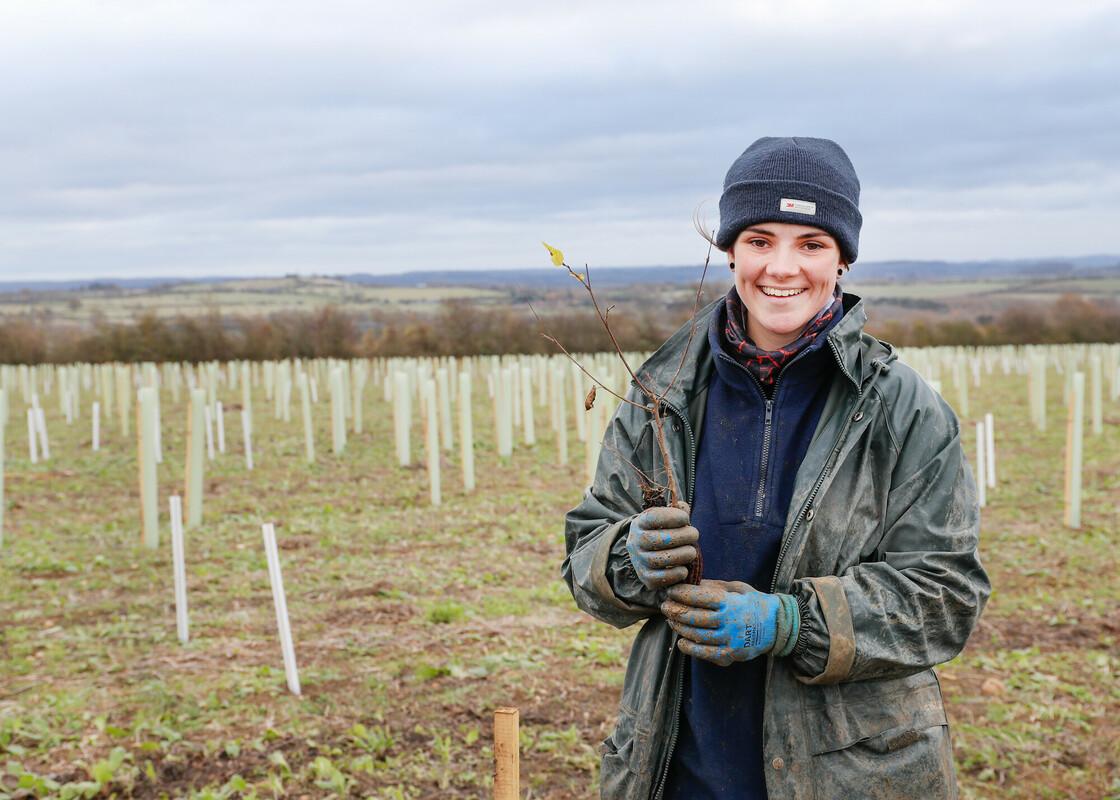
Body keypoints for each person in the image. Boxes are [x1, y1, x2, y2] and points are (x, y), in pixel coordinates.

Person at [561, 136, 990, 799]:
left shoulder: (902, 409)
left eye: (811, 244)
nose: (781, 268)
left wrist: (792, 623)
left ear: (842, 259)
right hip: (681, 769)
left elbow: (946, 597)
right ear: (730, 251)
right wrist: (628, 558)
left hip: (855, 773)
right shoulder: (661, 395)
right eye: (759, 240)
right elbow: (587, 557)